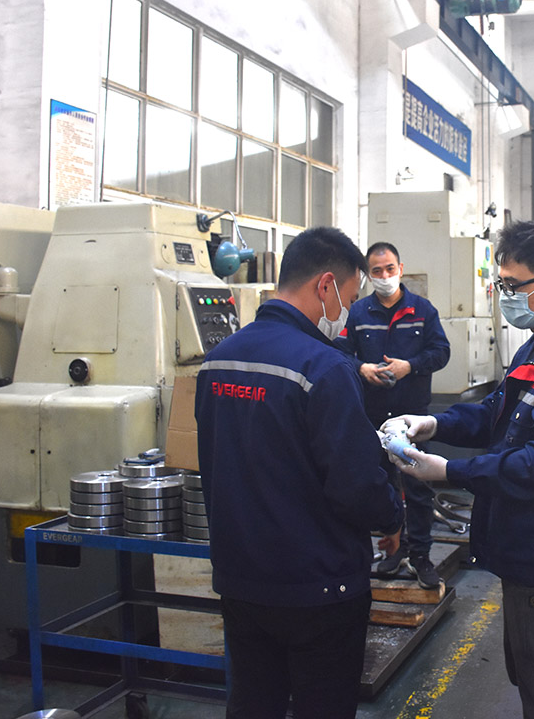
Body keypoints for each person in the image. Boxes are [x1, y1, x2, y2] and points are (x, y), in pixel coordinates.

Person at [385, 219, 534, 719]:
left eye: (513, 285)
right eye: (501, 284)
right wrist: (432, 423)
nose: (504, 296)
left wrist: (449, 471)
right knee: (531, 673)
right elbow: (497, 413)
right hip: (525, 542)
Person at [195, 226, 403, 719]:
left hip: (241, 581)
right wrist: (392, 517)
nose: (347, 314)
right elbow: (355, 484)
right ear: (326, 286)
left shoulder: (216, 362)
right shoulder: (325, 368)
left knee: (253, 704)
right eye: (349, 297)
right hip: (319, 589)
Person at [343, 241, 450, 588]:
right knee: (381, 485)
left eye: (390, 269)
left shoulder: (422, 310)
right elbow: (340, 352)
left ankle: (420, 556)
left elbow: (441, 352)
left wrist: (410, 366)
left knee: (418, 487)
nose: (385, 276)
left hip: (411, 418)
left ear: (400, 269)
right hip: (372, 416)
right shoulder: (358, 314)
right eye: (377, 271)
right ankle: (394, 548)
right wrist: (361, 368)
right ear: (368, 275)